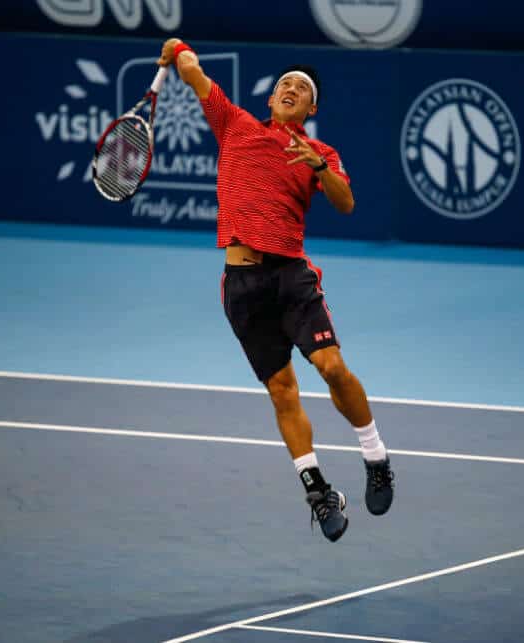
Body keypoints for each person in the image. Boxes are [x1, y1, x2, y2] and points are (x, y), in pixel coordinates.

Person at [157, 38, 394, 543]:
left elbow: (346, 203)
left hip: (290, 276)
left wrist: (319, 166)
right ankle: (318, 490)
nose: (291, 89)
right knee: (281, 391)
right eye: (285, 84)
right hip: (241, 285)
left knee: (330, 366)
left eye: (302, 89)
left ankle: (375, 456)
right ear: (270, 100)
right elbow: (193, 70)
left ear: (312, 108)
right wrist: (176, 48)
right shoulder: (234, 124)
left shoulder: (320, 151)